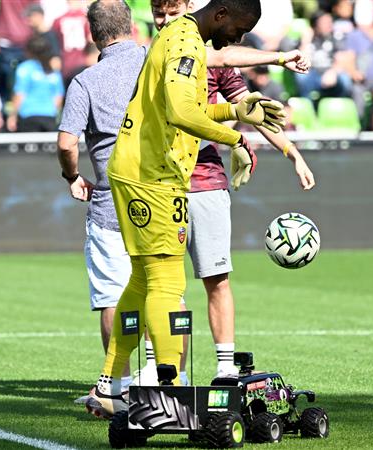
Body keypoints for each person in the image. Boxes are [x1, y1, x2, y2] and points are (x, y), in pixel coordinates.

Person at [88, 0, 282, 416]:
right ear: (222, 14)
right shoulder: (185, 45)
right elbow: (179, 113)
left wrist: (235, 110)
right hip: (151, 175)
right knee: (166, 283)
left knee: (143, 280)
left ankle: (109, 384)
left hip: (140, 169)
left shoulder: (180, 35)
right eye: (240, 28)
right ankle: (169, 392)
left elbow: (184, 107)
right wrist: (236, 140)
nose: (239, 38)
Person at [142, 0, 315, 383]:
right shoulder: (155, 52)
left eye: (172, 13)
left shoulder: (204, 49)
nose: (165, 20)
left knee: (216, 277)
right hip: (158, 180)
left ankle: (224, 368)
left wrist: (292, 153)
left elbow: (249, 105)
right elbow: (217, 59)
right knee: (165, 284)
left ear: (189, 8)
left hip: (204, 179)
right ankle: (166, 372)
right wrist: (278, 57)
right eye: (158, 14)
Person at [8, 34, 64, 132]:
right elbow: (58, 97)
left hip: (28, 116)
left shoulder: (25, 68)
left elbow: (20, 94)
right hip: (49, 116)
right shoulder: (53, 71)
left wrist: (12, 116)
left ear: (29, 51)